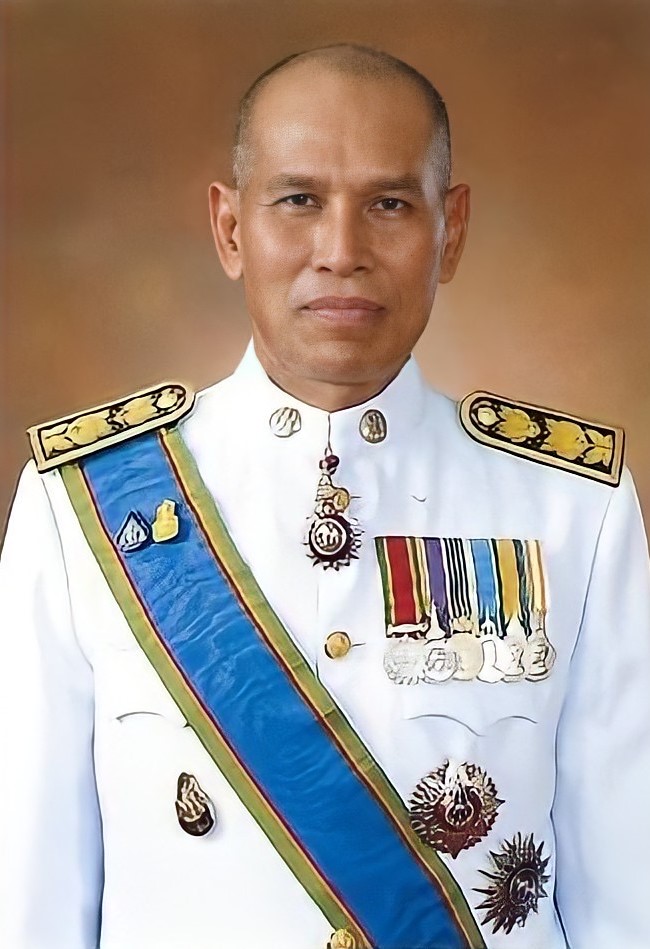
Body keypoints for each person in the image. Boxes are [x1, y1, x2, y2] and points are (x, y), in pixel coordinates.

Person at [1, 42, 649, 949]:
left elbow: (626, 904)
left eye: (389, 204)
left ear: (451, 230)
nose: (341, 252)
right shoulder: (82, 508)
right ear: (231, 228)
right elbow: (31, 904)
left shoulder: (572, 509)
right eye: (299, 200)